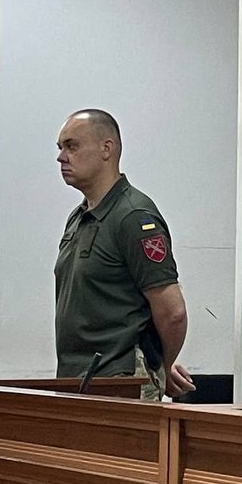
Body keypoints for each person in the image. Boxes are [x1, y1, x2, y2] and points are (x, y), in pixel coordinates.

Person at [54, 108, 196, 400]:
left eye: (71, 146)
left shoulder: (133, 217)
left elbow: (173, 313)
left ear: (106, 149)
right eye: (60, 148)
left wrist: (160, 367)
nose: (61, 157)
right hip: (77, 379)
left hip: (120, 382)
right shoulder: (79, 218)